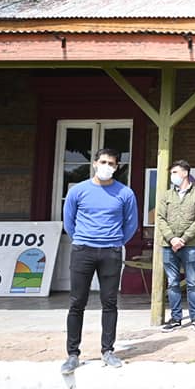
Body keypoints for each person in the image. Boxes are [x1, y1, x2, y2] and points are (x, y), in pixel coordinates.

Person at [60, 148, 139, 375]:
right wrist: (84, 240)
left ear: (116, 167)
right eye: (103, 161)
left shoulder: (125, 193)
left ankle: (108, 351)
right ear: (95, 163)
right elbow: (69, 222)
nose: (106, 166)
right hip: (83, 250)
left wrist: (114, 242)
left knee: (110, 302)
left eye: (111, 163)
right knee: (77, 303)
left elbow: (131, 224)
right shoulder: (78, 191)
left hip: (111, 252)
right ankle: (72, 354)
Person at [157, 160, 195, 332]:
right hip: (168, 245)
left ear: (185, 173)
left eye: (175, 172)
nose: (173, 176)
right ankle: (176, 318)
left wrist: (183, 239)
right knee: (172, 283)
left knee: (192, 282)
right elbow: (160, 218)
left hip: (190, 245)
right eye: (171, 173)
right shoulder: (166, 195)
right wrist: (172, 239)